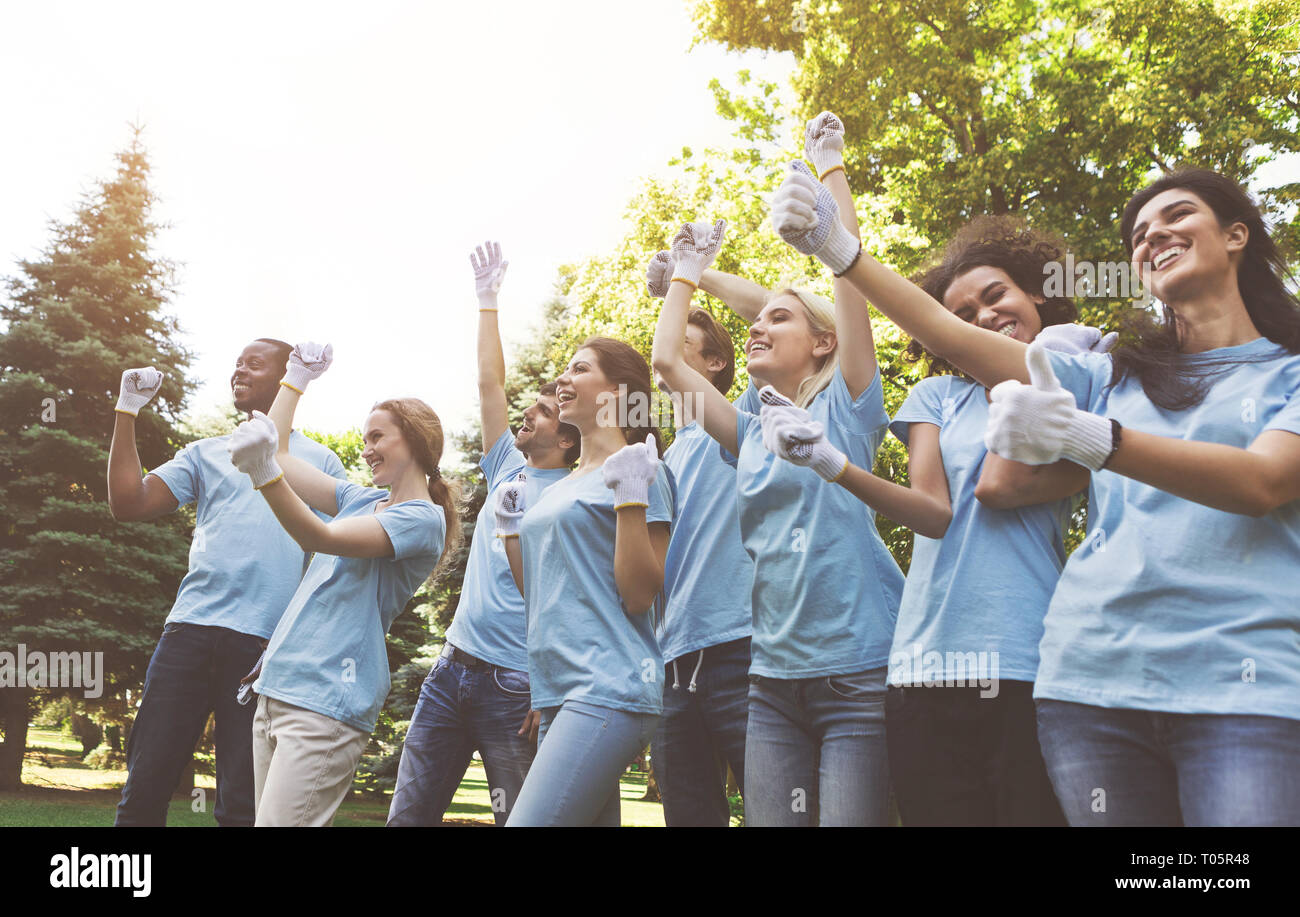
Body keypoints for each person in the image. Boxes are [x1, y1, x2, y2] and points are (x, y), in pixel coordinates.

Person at [772, 165, 1300, 826]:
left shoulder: (1288, 373)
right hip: (1092, 686)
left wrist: (1093, 436)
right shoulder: (1114, 373)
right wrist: (839, 250)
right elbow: (950, 335)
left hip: (1244, 691)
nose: (1153, 235)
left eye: (1177, 215)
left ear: (1236, 234)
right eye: (1139, 232)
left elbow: (1263, 482)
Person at [759, 216, 1093, 825]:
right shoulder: (937, 396)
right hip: (922, 664)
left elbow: (996, 486)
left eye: (996, 297)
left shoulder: (1080, 380)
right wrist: (833, 465)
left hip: (1024, 656)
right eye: (962, 316)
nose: (983, 317)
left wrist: (1042, 372)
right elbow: (935, 514)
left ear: (1036, 292)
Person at [651, 112, 904, 826]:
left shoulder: (850, 407)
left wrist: (830, 171)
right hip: (772, 684)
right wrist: (685, 274)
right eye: (759, 321)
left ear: (823, 344)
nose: (758, 325)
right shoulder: (750, 432)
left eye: (780, 320)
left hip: (855, 673)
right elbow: (668, 361)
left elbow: (849, 281)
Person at [108, 340, 346, 827]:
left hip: (263, 648)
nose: (238, 369)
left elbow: (333, 560)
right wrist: (127, 410)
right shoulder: (205, 454)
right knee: (145, 785)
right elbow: (127, 503)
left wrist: (291, 643)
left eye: (254, 363)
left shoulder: (319, 464)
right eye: (236, 362)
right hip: (188, 634)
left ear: (286, 377)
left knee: (242, 803)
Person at [386, 242, 578, 826]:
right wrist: (488, 300)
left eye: (544, 412)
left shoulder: (576, 494)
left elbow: (571, 604)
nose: (528, 413)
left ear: (567, 439)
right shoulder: (507, 468)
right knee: (407, 817)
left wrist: (550, 688)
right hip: (451, 670)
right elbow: (490, 383)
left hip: (516, 686)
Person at [227, 343, 458, 826]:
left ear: (414, 441)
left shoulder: (422, 519)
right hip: (279, 691)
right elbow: (282, 446)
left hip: (325, 703)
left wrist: (263, 472)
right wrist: (295, 377)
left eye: (378, 437)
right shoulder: (360, 499)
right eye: (365, 438)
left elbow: (321, 536)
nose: (366, 448)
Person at [498, 337, 673, 827]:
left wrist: (632, 495)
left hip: (609, 684)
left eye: (579, 369)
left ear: (617, 392)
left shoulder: (641, 470)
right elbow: (542, 593)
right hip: (559, 691)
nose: (563, 379)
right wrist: (511, 531)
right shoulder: (565, 484)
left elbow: (639, 595)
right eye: (564, 370)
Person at [646, 257, 756, 826]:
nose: (661, 348)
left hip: (742, 649)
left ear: (715, 364)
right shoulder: (662, 456)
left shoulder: (744, 424)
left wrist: (692, 274)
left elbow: (768, 314)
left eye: (682, 338)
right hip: (672, 664)